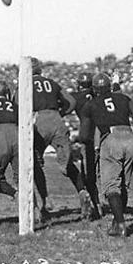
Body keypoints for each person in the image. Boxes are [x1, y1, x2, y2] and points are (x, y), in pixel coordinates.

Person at [78, 73, 133, 237]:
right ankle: (117, 222)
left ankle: (121, 224)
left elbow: (83, 135)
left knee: (111, 187)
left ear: (94, 89)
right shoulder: (124, 98)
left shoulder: (90, 104)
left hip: (111, 139)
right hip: (130, 138)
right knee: (123, 184)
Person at [0, 80, 43, 219]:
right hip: (18, 139)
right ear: (8, 94)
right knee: (23, 179)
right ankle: (34, 210)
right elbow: (29, 126)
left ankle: (15, 195)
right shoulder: (16, 106)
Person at [30, 58, 91, 219]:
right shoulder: (51, 83)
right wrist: (60, 114)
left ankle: (44, 201)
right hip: (57, 120)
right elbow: (71, 101)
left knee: (35, 164)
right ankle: (82, 191)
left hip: (38, 121)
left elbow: (16, 106)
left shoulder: (25, 85)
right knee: (67, 164)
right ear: (40, 70)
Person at [72, 72, 102, 219]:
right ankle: (100, 204)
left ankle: (95, 205)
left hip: (87, 136)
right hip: (103, 134)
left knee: (88, 174)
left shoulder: (76, 97)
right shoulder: (99, 94)